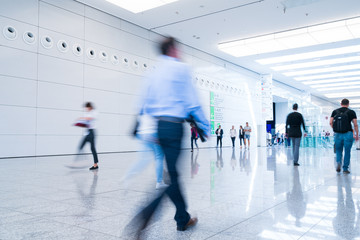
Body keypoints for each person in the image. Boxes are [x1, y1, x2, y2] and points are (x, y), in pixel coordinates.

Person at [127, 37, 209, 236]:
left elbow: (142, 101)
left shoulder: (152, 72)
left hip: (158, 127)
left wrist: (136, 123)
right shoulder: (181, 69)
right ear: (172, 49)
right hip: (174, 127)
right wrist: (205, 126)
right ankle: (146, 213)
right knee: (172, 178)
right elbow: (192, 101)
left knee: (172, 175)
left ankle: (183, 218)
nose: (180, 53)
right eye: (178, 49)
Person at [123, 114, 167, 190]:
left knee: (144, 158)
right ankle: (159, 182)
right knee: (159, 157)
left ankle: (127, 176)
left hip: (143, 134)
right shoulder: (155, 108)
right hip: (154, 133)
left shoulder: (143, 109)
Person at [330, 98, 358, 174]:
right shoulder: (351, 112)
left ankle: (338, 162)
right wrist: (356, 134)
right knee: (347, 151)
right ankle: (345, 168)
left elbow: (330, 122)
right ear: (348, 104)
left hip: (337, 134)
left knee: (338, 150)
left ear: (341, 104)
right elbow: (355, 124)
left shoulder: (335, 111)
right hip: (348, 133)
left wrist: (335, 129)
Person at [77, 102, 99, 170]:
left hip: (92, 132)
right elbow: (85, 122)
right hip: (87, 132)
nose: (86, 109)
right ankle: (83, 161)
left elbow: (90, 118)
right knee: (80, 146)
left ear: (90, 107)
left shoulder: (94, 112)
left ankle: (95, 165)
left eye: (87, 108)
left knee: (92, 148)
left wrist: (82, 118)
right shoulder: (87, 113)